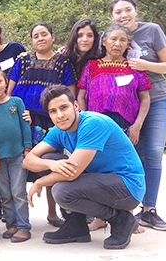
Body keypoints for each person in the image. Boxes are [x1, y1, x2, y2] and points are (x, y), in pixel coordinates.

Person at [24, 85, 145, 250]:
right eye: (53, 111)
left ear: (75, 106)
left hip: (127, 187)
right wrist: (51, 164)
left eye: (64, 107)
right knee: (48, 158)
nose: (60, 115)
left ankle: (121, 219)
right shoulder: (59, 131)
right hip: (100, 183)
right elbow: (28, 160)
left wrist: (40, 183)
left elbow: (72, 173)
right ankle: (76, 226)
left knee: (62, 191)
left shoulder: (93, 124)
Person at [77, 24, 152, 231]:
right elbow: (81, 96)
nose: (117, 44)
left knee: (124, 169)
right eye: (113, 39)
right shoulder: (91, 67)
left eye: (122, 40)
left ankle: (128, 216)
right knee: (98, 169)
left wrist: (136, 126)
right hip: (98, 125)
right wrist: (84, 122)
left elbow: (145, 99)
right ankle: (101, 217)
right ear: (104, 42)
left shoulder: (134, 67)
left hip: (125, 125)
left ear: (128, 44)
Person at [110, 0, 166, 231]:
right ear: (112, 16)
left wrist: (146, 65)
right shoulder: (111, 37)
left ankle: (149, 210)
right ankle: (128, 210)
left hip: (157, 98)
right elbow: (90, 54)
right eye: (118, 12)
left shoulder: (152, 30)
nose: (124, 15)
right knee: (132, 154)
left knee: (154, 152)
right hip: (127, 104)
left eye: (128, 10)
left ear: (135, 11)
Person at [8, 23, 78, 227]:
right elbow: (10, 91)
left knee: (50, 164)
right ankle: (16, 216)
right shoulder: (22, 62)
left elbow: (69, 94)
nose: (40, 38)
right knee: (18, 162)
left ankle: (53, 212)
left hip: (51, 121)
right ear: (31, 40)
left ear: (53, 37)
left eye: (44, 34)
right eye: (35, 35)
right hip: (23, 120)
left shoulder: (63, 63)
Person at [0, 67, 32, 243]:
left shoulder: (17, 102)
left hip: (18, 155)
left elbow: (25, 126)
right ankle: (11, 224)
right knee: (4, 193)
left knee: (18, 192)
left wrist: (27, 149)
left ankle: (24, 227)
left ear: (6, 82)